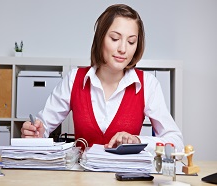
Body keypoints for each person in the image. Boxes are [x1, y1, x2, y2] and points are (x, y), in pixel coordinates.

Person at [21, 4, 184, 153]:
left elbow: (176, 142)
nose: (123, 49)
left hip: (123, 179)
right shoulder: (74, 80)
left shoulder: (147, 84)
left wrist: (138, 140)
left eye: (131, 41)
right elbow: (42, 128)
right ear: (100, 39)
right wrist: (35, 134)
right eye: (114, 39)